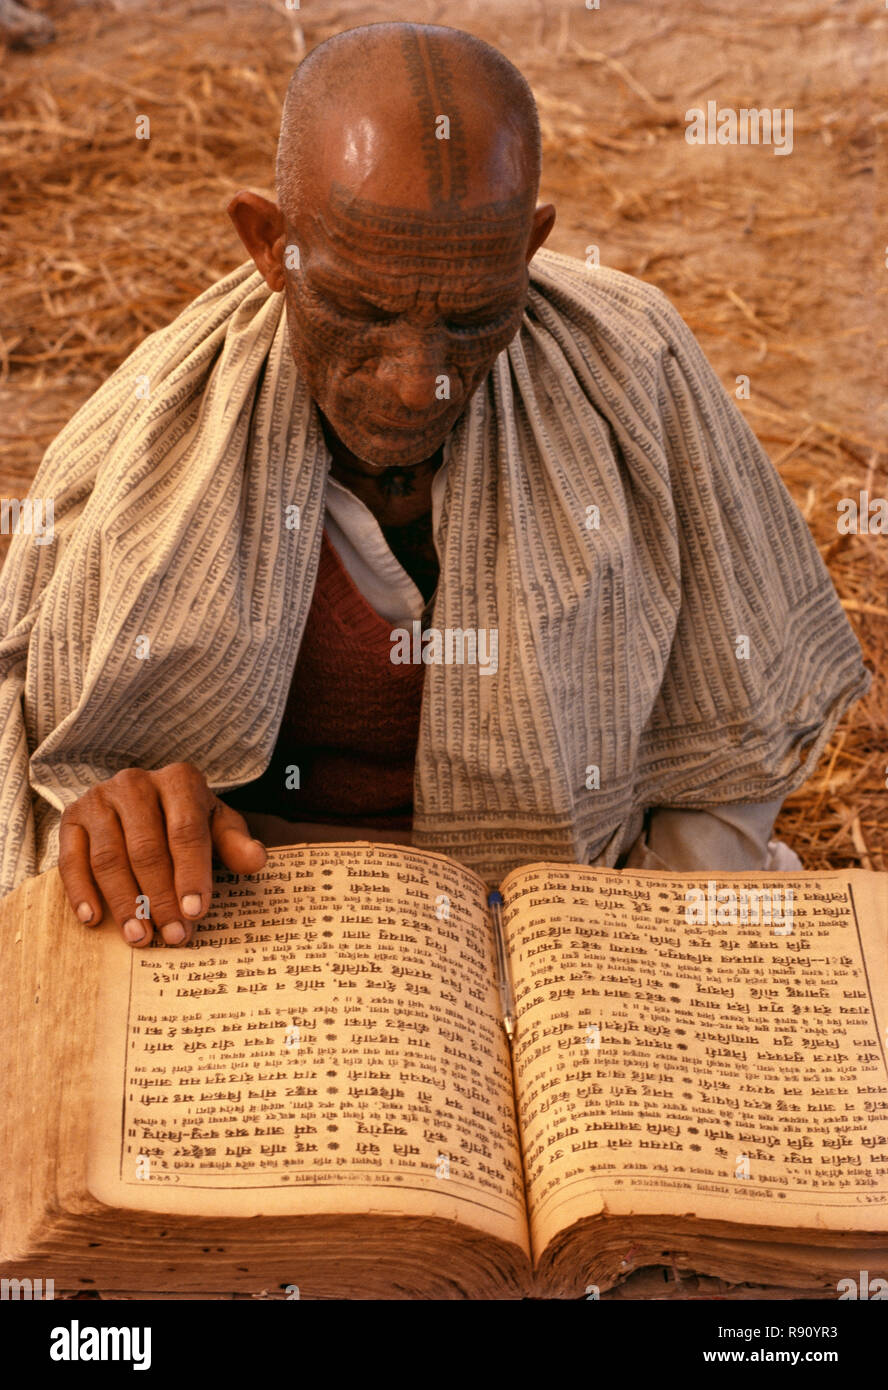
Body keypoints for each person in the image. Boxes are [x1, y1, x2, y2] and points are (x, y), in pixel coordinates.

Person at [0, 22, 869, 949]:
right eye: (363, 311)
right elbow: (48, 758)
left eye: (474, 315)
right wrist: (128, 823)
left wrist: (637, 938)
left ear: (529, 247)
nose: (421, 383)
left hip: (583, 925)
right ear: (269, 242)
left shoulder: (634, 371)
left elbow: (729, 747)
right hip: (259, 938)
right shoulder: (154, 442)